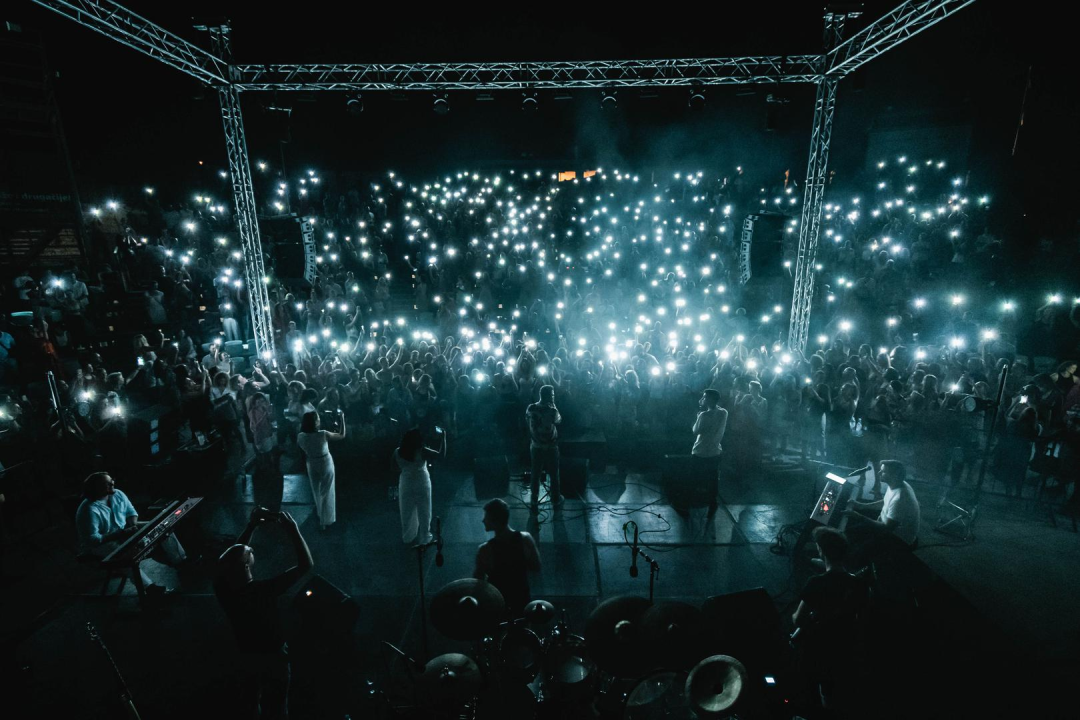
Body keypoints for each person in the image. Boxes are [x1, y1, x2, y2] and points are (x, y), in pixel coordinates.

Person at [215, 507, 314, 719]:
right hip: (274, 657)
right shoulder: (264, 591)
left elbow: (233, 554)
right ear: (245, 565)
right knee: (279, 704)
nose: (251, 550)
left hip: (246, 654)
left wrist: (251, 525)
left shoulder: (223, 589)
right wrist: (294, 530)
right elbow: (306, 565)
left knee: (251, 700)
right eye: (249, 552)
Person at [791, 527, 866, 715]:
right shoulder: (859, 584)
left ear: (821, 551)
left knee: (809, 685)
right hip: (847, 643)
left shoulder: (816, 583)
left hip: (818, 646)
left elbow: (798, 620)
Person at [75, 472, 187, 595]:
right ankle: (149, 588)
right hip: (101, 543)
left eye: (112, 480)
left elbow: (130, 512)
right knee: (121, 553)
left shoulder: (117, 494)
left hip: (123, 532)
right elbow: (93, 540)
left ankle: (181, 562)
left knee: (161, 527)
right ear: (97, 488)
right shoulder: (89, 509)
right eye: (107, 483)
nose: (113, 483)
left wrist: (133, 525)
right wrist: (122, 533)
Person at [842, 460, 921, 566]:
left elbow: (886, 528)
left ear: (894, 476)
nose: (878, 473)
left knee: (858, 549)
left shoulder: (900, 498)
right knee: (851, 530)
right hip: (886, 524)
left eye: (883, 471)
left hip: (899, 539)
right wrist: (861, 506)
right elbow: (885, 501)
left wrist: (859, 516)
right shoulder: (897, 484)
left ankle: (844, 566)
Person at [473, 498, 541, 618]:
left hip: (497, 603)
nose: (483, 520)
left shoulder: (485, 549)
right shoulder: (525, 539)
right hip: (522, 600)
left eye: (486, 517)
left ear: (495, 521)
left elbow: (478, 582)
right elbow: (536, 566)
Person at [395, 426, 446, 545]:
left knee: (406, 511)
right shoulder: (422, 451)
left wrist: (406, 470)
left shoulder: (397, 451)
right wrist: (443, 438)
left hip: (406, 483)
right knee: (424, 510)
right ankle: (424, 537)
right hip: (422, 482)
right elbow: (441, 455)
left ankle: (408, 537)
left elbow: (393, 467)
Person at [296, 410, 345, 530]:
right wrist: (342, 419)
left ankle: (320, 515)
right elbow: (341, 435)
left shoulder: (301, 436)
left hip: (311, 462)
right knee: (327, 491)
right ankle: (326, 520)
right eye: (318, 419)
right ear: (315, 422)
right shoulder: (323, 434)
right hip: (325, 462)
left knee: (316, 490)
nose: (319, 420)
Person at [691, 388, 728, 515]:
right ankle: (712, 500)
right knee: (713, 477)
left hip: (700, 450)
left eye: (705, 397)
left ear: (710, 399)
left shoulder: (703, 415)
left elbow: (696, 431)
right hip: (715, 451)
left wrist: (697, 417)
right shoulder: (724, 412)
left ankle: (698, 500)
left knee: (697, 477)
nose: (702, 399)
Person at [526, 385, 562, 510]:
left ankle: (534, 499)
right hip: (551, 446)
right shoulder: (552, 410)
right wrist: (554, 405)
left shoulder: (531, 408)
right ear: (549, 396)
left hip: (536, 446)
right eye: (552, 395)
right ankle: (556, 499)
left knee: (535, 473)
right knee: (553, 473)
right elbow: (558, 420)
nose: (553, 397)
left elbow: (529, 425)